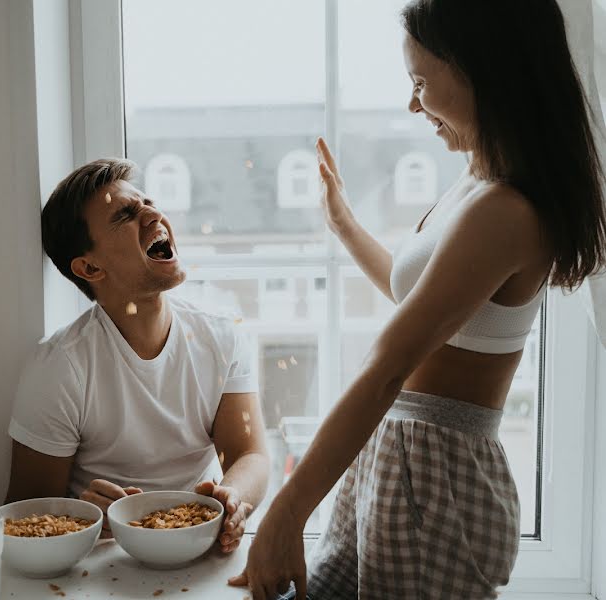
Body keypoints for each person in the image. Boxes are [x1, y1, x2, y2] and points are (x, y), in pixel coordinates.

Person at [231, 0, 606, 598]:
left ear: (484, 72)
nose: (412, 104)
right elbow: (430, 311)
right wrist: (347, 227)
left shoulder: (504, 210)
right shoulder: (478, 182)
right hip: (404, 459)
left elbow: (387, 366)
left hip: (437, 479)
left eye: (420, 83)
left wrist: (288, 509)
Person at [5, 159, 270, 552]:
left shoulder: (221, 338)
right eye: (126, 215)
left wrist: (232, 497)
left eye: (148, 201)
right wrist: (81, 515)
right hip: (99, 563)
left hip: (196, 549)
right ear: (90, 266)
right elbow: (20, 515)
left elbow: (249, 454)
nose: (153, 213)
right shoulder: (60, 367)